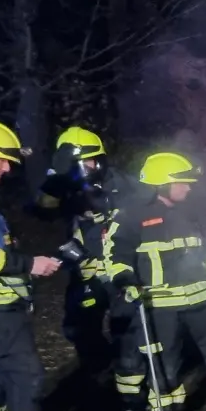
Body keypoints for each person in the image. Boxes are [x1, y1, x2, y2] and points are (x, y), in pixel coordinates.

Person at [102, 152, 206, 411]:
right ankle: (168, 409)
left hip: (203, 298)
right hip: (160, 303)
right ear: (162, 184)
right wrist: (125, 281)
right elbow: (115, 255)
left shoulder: (192, 212)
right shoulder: (132, 216)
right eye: (182, 182)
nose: (188, 188)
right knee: (164, 360)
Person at [0, 120, 77, 411]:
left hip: (1, 310)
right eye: (3, 160)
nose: (7, 169)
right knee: (25, 377)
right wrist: (30, 264)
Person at [36, 126, 134, 370]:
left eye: (86, 162)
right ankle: (99, 369)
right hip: (86, 269)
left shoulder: (120, 183)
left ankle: (130, 372)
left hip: (119, 267)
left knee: (126, 325)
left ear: (99, 160)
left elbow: (147, 206)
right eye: (74, 163)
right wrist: (58, 180)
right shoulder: (63, 187)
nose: (82, 168)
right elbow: (42, 208)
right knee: (78, 327)